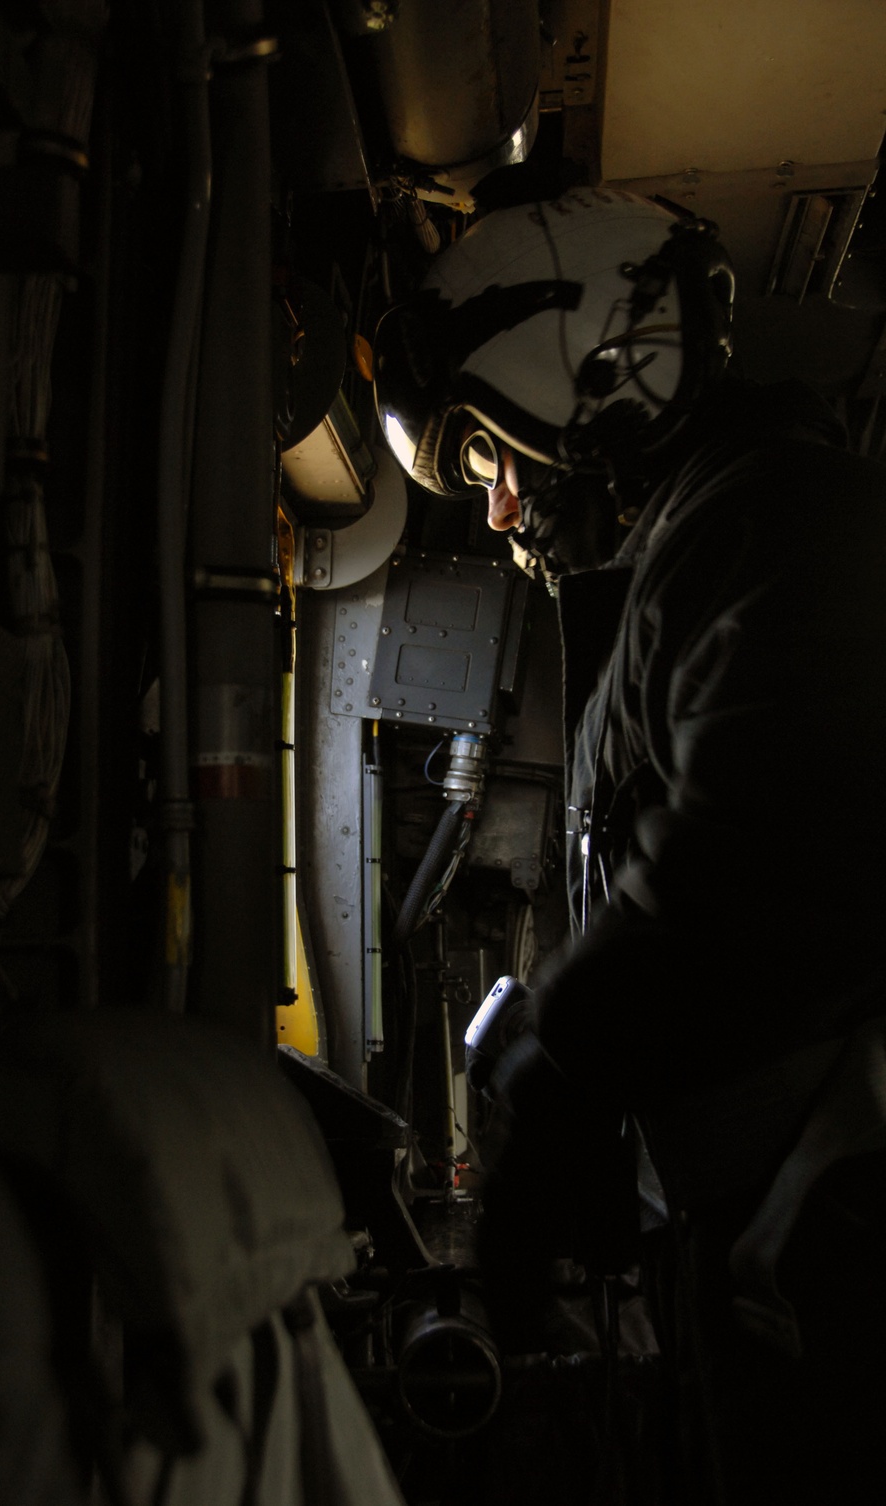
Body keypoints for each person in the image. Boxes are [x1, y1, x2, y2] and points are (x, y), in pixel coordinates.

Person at [373, 188, 886, 1504]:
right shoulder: (690, 555)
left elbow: (760, 844)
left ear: (588, 382)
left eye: (492, 462)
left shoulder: (785, 521)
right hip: (761, 1248)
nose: (495, 510)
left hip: (841, 1240)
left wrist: (562, 1067)